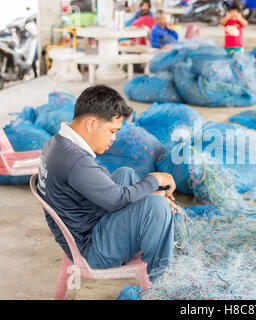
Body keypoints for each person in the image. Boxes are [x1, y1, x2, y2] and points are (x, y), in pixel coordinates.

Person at [36, 85, 177, 280]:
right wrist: (156, 179)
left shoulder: (57, 142)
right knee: (156, 207)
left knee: (125, 174)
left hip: (83, 229)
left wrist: (149, 193)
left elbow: (114, 195)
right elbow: (117, 200)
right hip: (91, 249)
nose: (113, 138)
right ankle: (163, 282)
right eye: (111, 131)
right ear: (91, 123)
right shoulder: (75, 160)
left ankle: (153, 223)